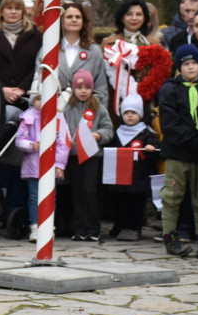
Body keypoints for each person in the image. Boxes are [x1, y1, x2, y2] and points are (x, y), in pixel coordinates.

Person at [158, 44, 198, 257]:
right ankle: (170, 236)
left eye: (194, 63)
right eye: (186, 64)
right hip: (179, 153)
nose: (190, 67)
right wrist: (190, 139)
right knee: (172, 195)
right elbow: (169, 122)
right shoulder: (170, 90)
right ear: (179, 67)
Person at [61, 69, 114, 242]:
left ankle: (93, 228)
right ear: (74, 89)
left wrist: (99, 135)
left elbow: (108, 129)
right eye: (79, 87)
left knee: (89, 191)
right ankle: (78, 228)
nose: (83, 91)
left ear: (92, 89)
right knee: (76, 192)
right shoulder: (68, 107)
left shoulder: (98, 107)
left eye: (86, 87)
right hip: (74, 156)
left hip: (92, 156)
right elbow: (62, 127)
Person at [31, 1, 109, 105]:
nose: (74, 20)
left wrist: (92, 113)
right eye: (69, 17)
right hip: (54, 111)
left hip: (84, 112)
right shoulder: (49, 50)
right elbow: (38, 83)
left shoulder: (94, 51)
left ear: (83, 21)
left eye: (78, 17)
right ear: (61, 21)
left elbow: (101, 89)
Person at [15, 91, 69, 241]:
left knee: (50, 197)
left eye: (44, 98)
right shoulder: (28, 118)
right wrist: (31, 145)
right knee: (34, 197)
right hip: (33, 166)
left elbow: (64, 142)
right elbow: (19, 139)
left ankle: (48, 226)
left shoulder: (58, 118)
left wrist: (59, 164)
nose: (41, 102)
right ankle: (35, 226)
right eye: (38, 99)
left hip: (51, 166)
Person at [107, 95, 158, 242]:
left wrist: (152, 147)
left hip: (138, 179)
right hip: (119, 178)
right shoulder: (117, 133)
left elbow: (156, 147)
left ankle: (134, 228)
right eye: (126, 113)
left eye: (133, 113)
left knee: (135, 205)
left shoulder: (146, 133)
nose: (129, 116)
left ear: (140, 115)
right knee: (119, 202)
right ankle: (120, 226)